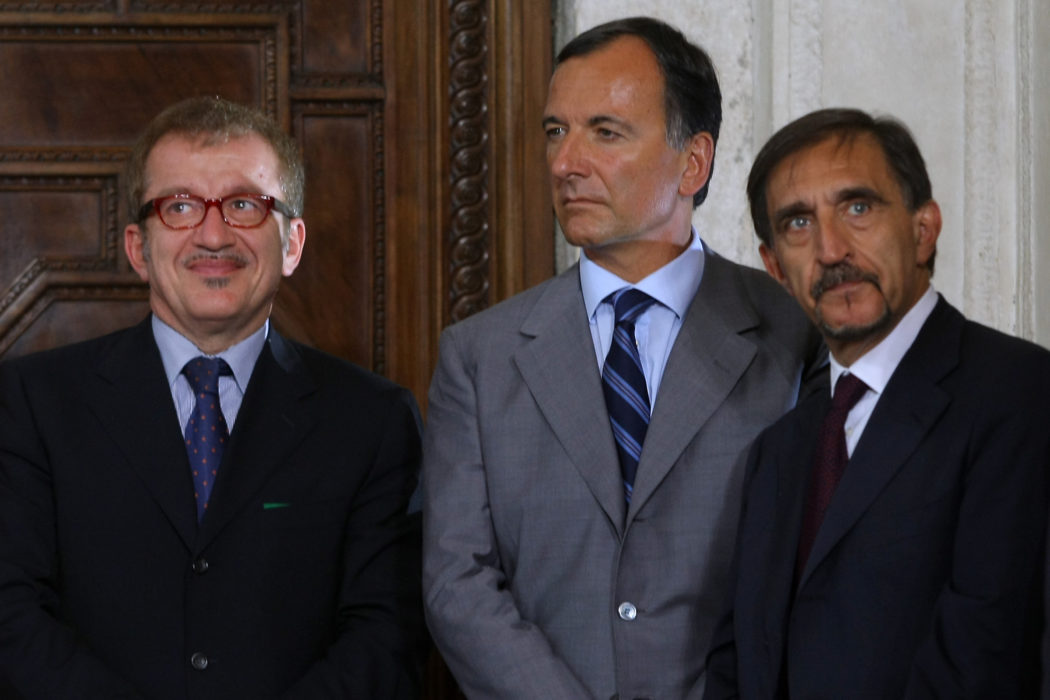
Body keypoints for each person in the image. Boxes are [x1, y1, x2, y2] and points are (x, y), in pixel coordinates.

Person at [422, 16, 823, 699]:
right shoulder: (479, 357)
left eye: (604, 132)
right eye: (556, 131)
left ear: (692, 162)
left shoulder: (794, 334)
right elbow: (457, 585)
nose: (564, 163)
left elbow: (820, 572)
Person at [0, 96, 426, 699]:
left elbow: (388, 634)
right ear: (137, 248)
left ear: (293, 242)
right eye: (178, 206)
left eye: (244, 205)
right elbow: (11, 618)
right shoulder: (31, 404)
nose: (212, 234)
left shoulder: (373, 420)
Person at [704, 107, 1050, 698]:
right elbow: (737, 663)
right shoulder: (776, 453)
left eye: (858, 208)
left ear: (923, 229)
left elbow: (985, 654)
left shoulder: (1019, 393)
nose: (831, 248)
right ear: (775, 270)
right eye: (797, 224)